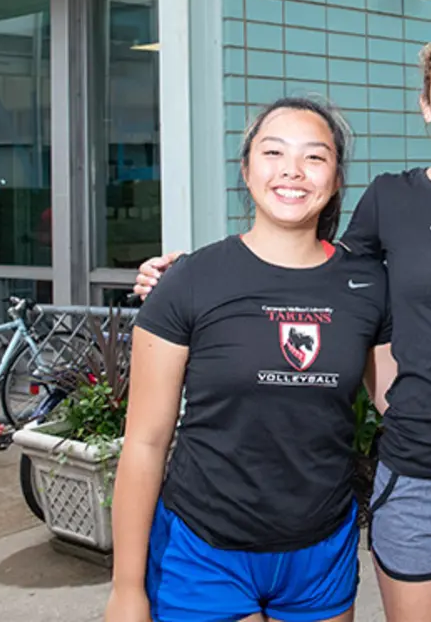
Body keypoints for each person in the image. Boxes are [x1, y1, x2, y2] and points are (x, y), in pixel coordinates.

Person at [134, 27, 431, 622]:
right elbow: (321, 276)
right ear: (425, 106)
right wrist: (185, 277)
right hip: (420, 471)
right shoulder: (390, 200)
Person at [107, 97, 389, 622]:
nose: (292, 171)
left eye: (314, 156)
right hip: (204, 546)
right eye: (274, 152)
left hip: (321, 547)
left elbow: (401, 397)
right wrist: (127, 588)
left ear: (335, 177)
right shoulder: (189, 281)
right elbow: (145, 443)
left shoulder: (367, 285)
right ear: (246, 168)